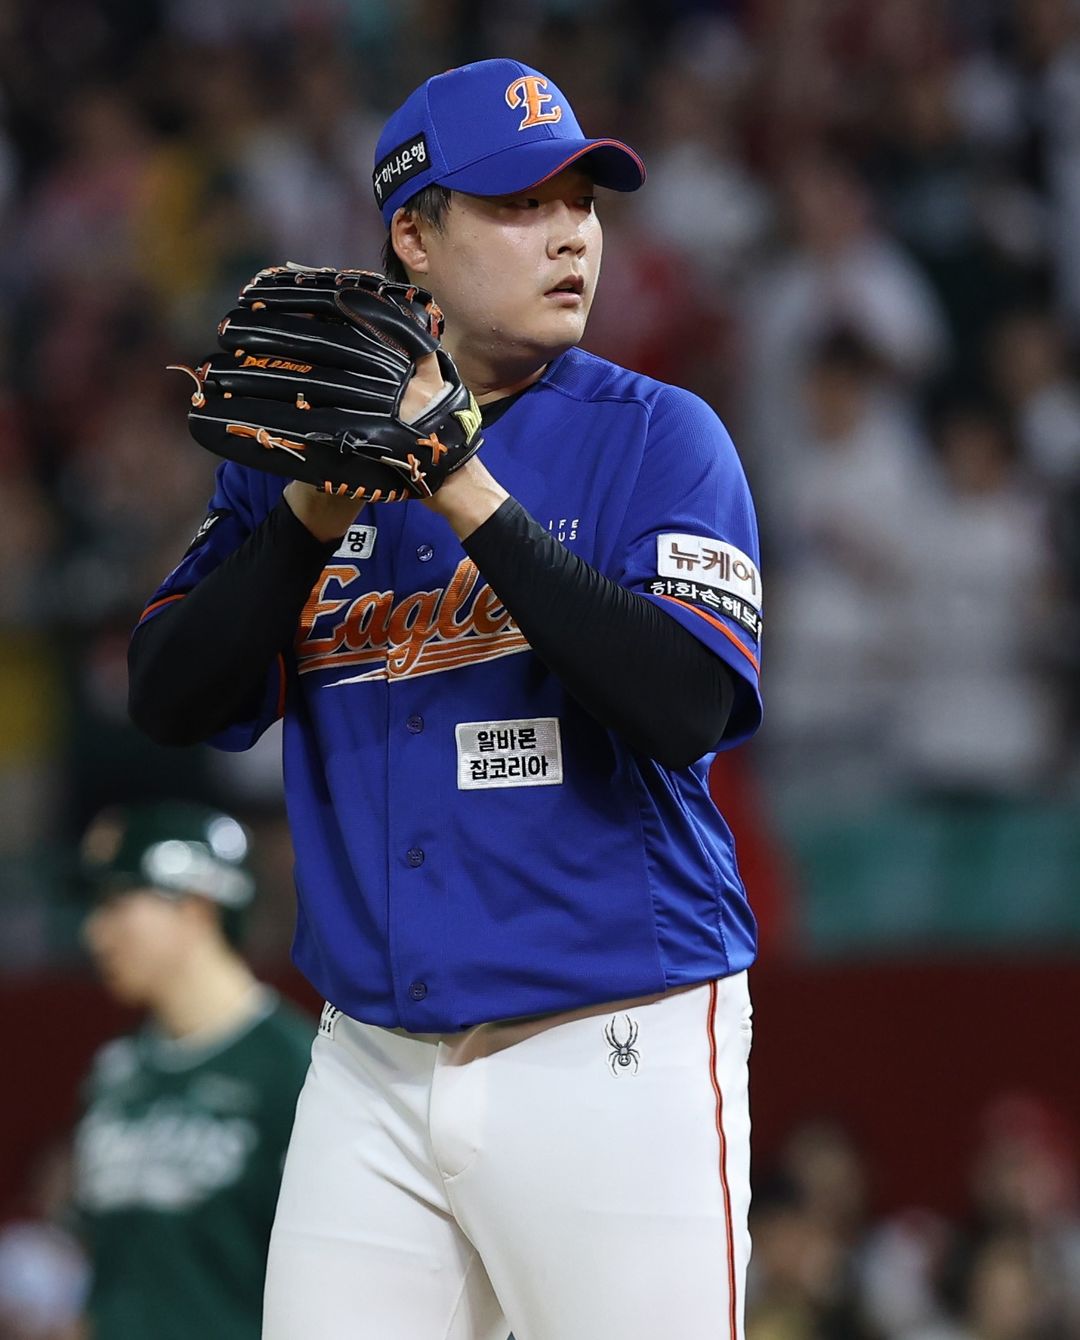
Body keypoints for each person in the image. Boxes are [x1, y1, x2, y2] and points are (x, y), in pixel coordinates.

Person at [129, 58, 763, 1340]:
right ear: (414, 237)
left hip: (611, 1037)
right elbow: (170, 695)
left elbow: (685, 703)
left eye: (583, 200)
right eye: (523, 203)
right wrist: (307, 512)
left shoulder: (659, 435)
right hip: (369, 1059)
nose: (571, 233)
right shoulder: (301, 456)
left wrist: (461, 482)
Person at [71, 802, 313, 1340]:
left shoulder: (296, 1071)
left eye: (116, 904)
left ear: (195, 905)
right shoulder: (115, 1073)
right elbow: (107, 1275)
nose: (95, 933)